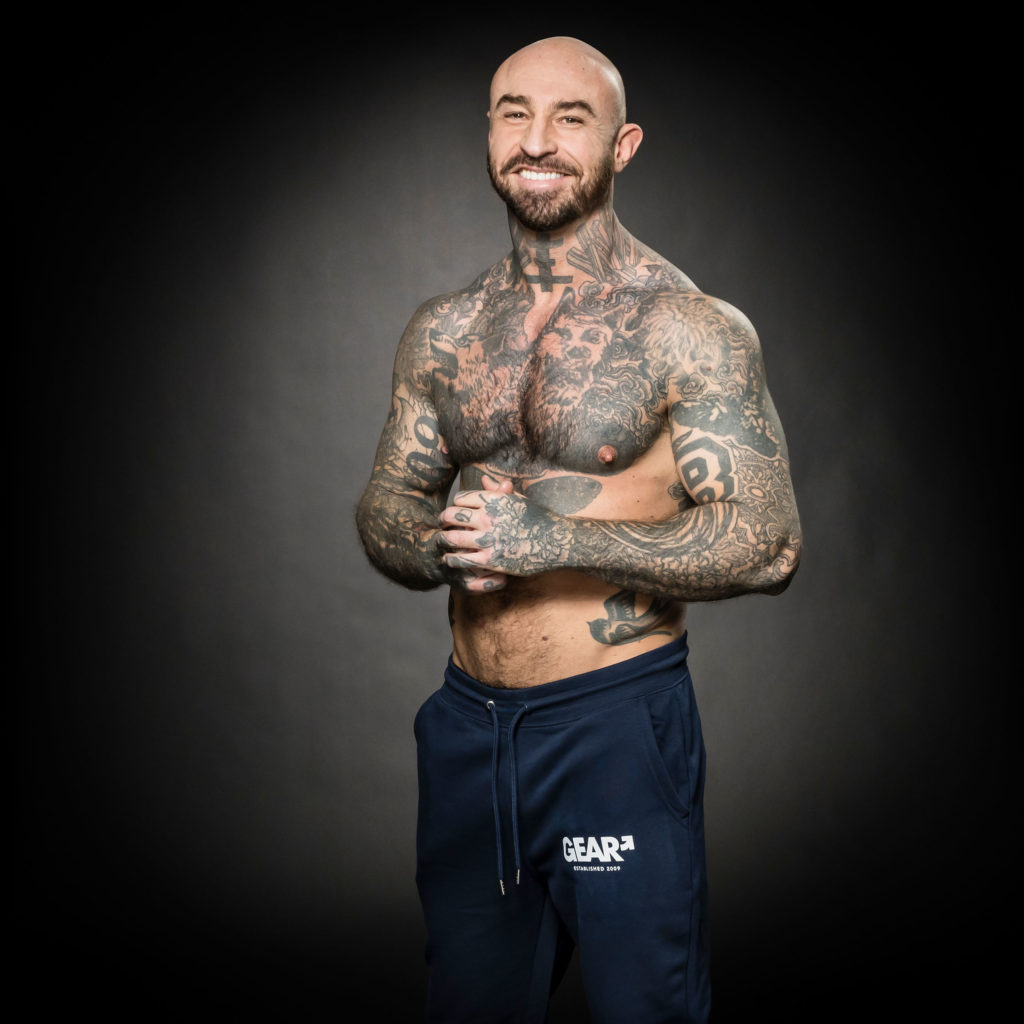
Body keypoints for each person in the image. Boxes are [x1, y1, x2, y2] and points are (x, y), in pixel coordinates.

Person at [356, 35, 801, 1023]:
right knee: (469, 1004)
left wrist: (553, 543)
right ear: (488, 134)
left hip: (613, 729)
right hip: (468, 731)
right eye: (514, 113)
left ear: (622, 145)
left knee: (644, 1007)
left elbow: (769, 542)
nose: (537, 140)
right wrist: (438, 546)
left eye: (571, 117)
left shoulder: (687, 327)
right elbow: (388, 500)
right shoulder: (444, 330)